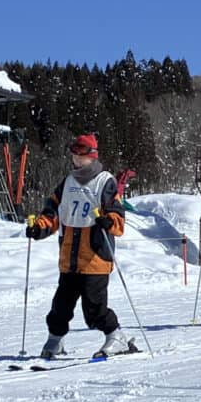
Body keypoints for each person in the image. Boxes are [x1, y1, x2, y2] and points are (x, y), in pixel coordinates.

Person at [26, 134, 129, 359]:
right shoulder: (68, 182)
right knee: (60, 306)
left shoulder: (104, 181)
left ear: (92, 156)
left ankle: (116, 337)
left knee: (94, 309)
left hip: (95, 257)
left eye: (81, 155)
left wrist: (109, 221)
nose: (76, 159)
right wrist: (40, 227)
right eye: (74, 155)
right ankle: (55, 340)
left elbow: (118, 215)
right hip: (69, 257)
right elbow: (53, 212)